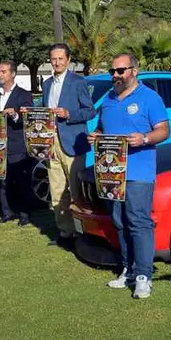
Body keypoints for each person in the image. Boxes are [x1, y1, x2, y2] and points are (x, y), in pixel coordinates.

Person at [92, 53, 170, 299]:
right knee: (119, 222)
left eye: (120, 70)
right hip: (111, 172)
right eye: (112, 71)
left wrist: (144, 138)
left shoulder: (150, 98)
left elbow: (164, 130)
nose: (115, 75)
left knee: (138, 222)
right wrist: (96, 135)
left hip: (138, 171)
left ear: (134, 71)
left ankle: (144, 276)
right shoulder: (108, 100)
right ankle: (128, 269)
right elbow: (102, 128)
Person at [41, 43, 97, 249]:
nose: (56, 62)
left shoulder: (78, 82)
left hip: (73, 142)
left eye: (60, 59)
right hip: (51, 143)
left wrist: (69, 115)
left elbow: (90, 111)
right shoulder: (46, 84)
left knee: (76, 192)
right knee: (56, 190)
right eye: (53, 59)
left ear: (68, 60)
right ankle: (65, 232)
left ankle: (83, 232)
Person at [0, 61, 34, 227]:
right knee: (2, 181)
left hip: (17, 144)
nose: (0, 74)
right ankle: (7, 212)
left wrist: (15, 115)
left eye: (3, 72)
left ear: (13, 74)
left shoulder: (23, 94)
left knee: (21, 181)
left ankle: (24, 214)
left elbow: (29, 118)